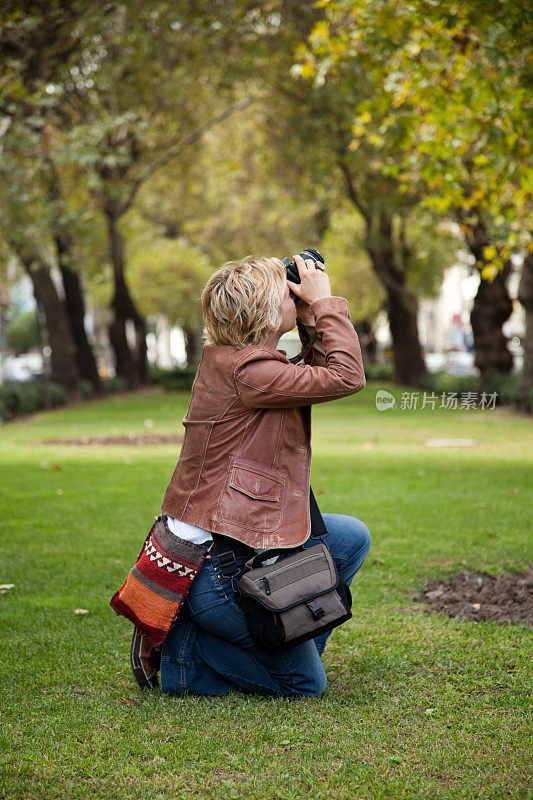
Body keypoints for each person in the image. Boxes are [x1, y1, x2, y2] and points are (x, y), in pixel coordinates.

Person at [135, 253, 371, 697]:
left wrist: (306, 319)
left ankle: (280, 646)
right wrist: (324, 305)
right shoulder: (249, 371)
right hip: (220, 575)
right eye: (287, 290)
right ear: (264, 314)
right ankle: (187, 657)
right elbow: (345, 376)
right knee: (305, 687)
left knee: (350, 538)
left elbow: (313, 374)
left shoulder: (240, 363)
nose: (296, 291)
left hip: (244, 549)